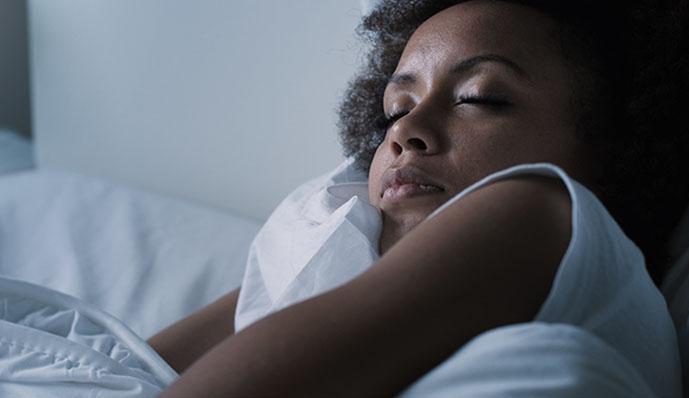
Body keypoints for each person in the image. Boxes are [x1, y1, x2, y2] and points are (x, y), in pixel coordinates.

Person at [153, 1, 689, 396]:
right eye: (395, 107)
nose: (406, 129)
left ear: (615, 145)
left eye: (480, 98)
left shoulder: (539, 211)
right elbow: (127, 364)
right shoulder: (341, 240)